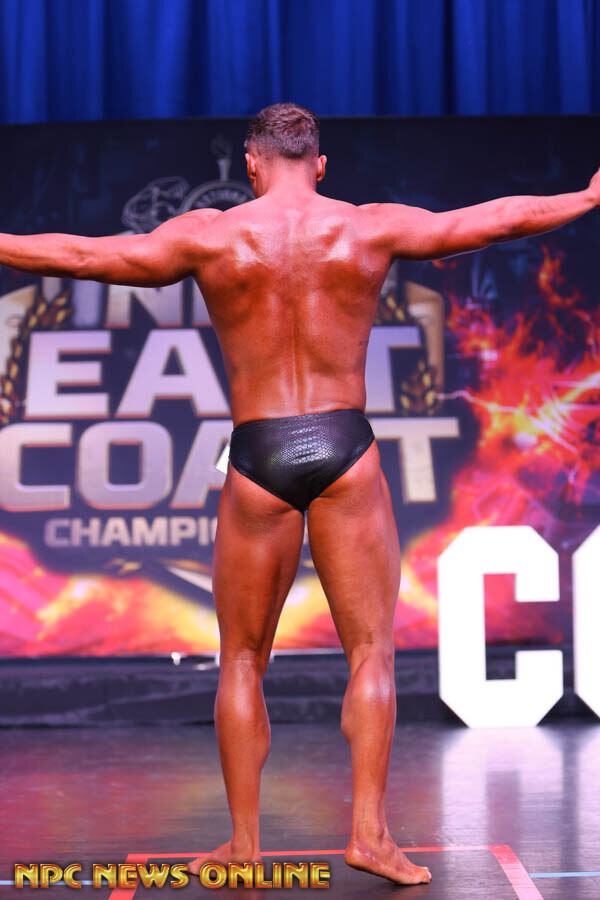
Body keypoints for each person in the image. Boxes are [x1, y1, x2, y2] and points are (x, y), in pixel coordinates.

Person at [1, 102, 598, 886]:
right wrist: (586, 197)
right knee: (371, 651)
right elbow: (488, 222)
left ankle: (244, 845)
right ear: (319, 164)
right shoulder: (367, 226)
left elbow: (83, 255)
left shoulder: (212, 234)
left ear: (251, 164)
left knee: (242, 658)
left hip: (259, 452)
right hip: (344, 446)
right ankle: (370, 836)